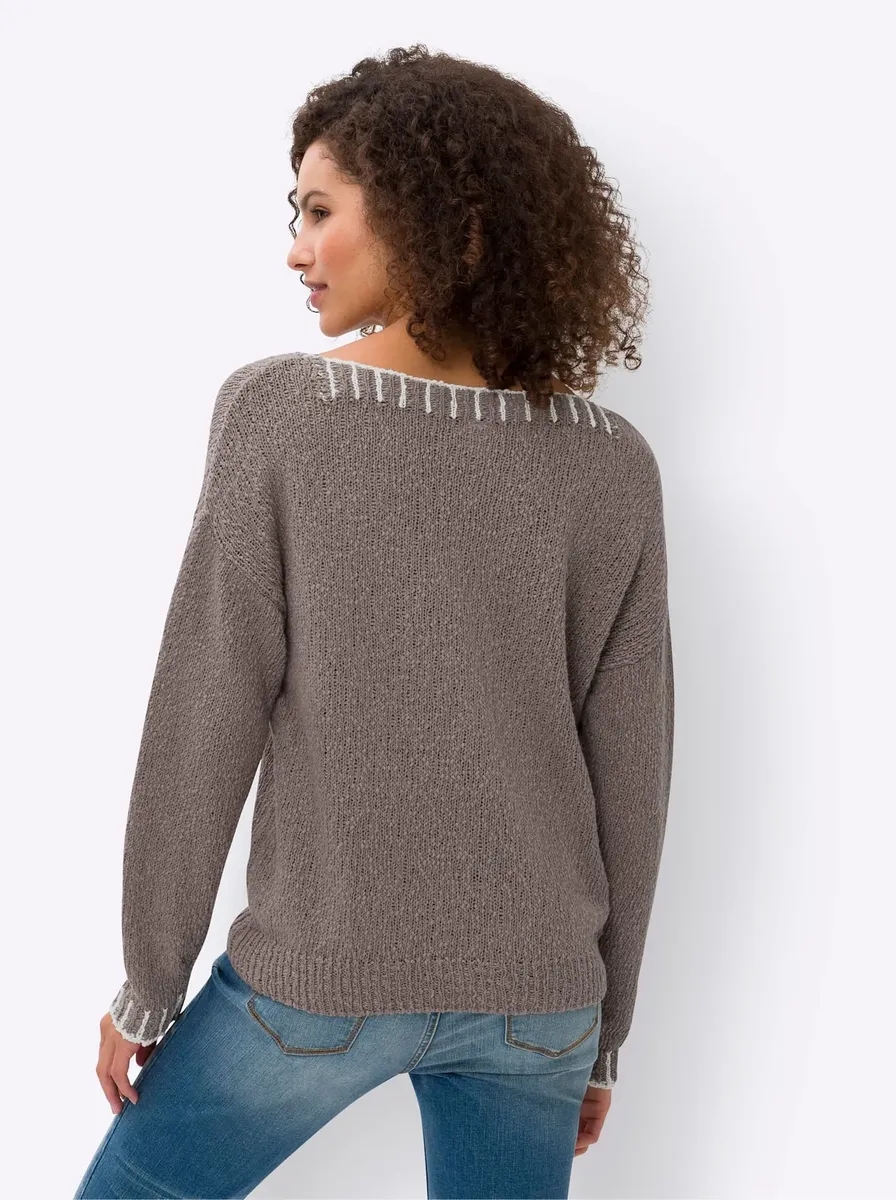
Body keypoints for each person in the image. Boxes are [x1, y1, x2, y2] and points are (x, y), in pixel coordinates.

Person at [73, 44, 674, 1200]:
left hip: (322, 983)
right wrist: (600, 1032)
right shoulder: (612, 463)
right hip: (538, 1005)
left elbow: (206, 711)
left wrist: (149, 986)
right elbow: (632, 778)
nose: (294, 248)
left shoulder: (282, 413)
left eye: (319, 210)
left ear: (436, 219)